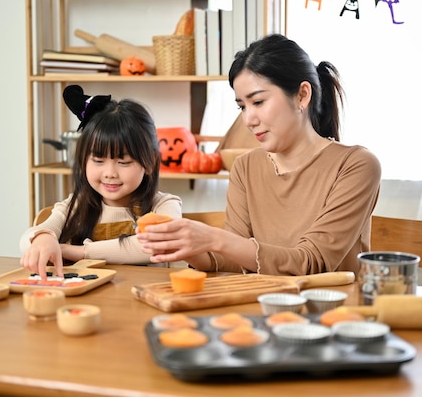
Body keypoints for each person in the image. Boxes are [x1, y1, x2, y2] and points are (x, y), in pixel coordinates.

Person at [137, 34, 381, 276]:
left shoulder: (356, 165)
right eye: (242, 106)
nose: (248, 120)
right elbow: (234, 259)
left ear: (302, 95)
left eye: (259, 102)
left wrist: (214, 238)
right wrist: (186, 246)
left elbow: (312, 262)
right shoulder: (246, 167)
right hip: (261, 306)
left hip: (332, 312)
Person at [20, 85, 182, 280]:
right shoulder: (76, 205)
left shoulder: (164, 205)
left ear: (150, 162)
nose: (110, 173)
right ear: (83, 161)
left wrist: (78, 252)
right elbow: (26, 240)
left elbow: (156, 246)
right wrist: (43, 238)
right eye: (98, 161)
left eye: (123, 162)